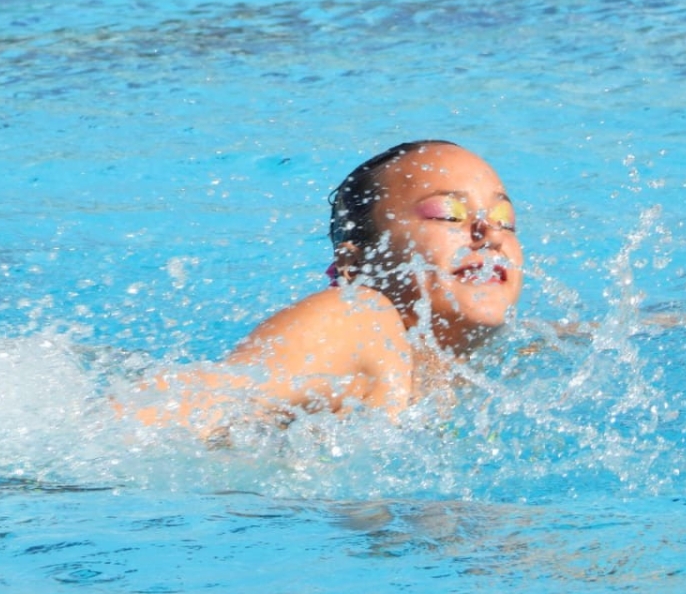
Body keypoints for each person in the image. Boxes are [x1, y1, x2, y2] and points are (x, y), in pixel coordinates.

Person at [135, 140, 523, 431]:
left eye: (504, 220)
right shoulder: (358, 321)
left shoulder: (491, 363)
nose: (487, 233)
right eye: (446, 214)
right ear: (354, 265)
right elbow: (145, 419)